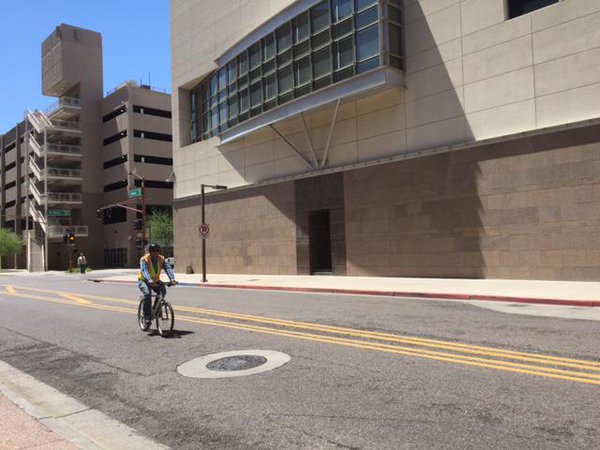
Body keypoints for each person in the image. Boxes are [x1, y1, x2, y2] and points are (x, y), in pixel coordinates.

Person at [138, 244, 177, 326]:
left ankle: (156, 310)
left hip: (156, 280)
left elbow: (168, 268)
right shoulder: (144, 259)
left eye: (157, 251)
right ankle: (147, 316)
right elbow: (144, 271)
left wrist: (172, 279)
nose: (156, 253)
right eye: (154, 251)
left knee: (163, 291)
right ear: (150, 252)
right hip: (144, 280)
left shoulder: (161, 259)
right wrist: (149, 280)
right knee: (147, 295)